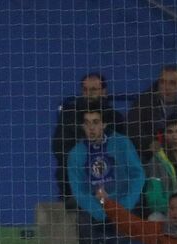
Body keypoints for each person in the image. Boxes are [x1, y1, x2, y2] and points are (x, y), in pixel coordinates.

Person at [67, 107, 145, 244]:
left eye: (95, 122)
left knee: (128, 228)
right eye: (87, 123)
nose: (91, 128)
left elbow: (138, 175)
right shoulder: (75, 154)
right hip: (96, 211)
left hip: (123, 206)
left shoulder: (122, 143)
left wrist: (122, 207)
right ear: (82, 126)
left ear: (104, 124)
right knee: (82, 220)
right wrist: (101, 213)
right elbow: (79, 192)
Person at [50, 72, 127, 205]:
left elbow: (122, 149)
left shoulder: (116, 118)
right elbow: (59, 147)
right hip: (80, 167)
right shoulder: (69, 115)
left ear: (104, 92)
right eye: (85, 90)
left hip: (107, 169)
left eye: (93, 90)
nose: (89, 94)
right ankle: (77, 199)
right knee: (66, 168)